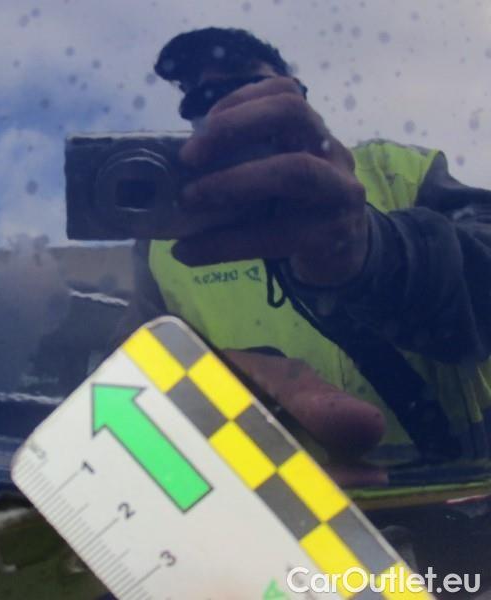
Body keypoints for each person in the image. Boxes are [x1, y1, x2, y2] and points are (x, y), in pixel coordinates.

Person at [125, 27, 491, 468]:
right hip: (274, 504)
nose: (223, 103)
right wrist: (221, 377)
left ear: (296, 96)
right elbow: (131, 390)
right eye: (199, 98)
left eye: (245, 82)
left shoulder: (397, 169)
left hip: (462, 492)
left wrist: (377, 252)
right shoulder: (162, 246)